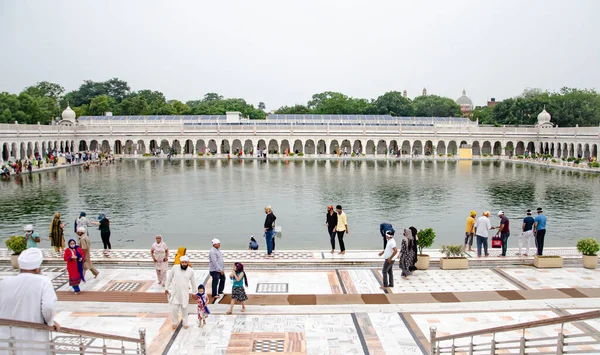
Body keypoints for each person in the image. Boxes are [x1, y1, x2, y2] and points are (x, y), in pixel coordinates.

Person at [0, 248, 61, 354]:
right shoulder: (43, 281)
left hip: (7, 339)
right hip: (33, 340)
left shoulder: (5, 281)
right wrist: (50, 322)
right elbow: (49, 307)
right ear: (37, 268)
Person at [165, 256, 196, 330]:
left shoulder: (191, 271)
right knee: (174, 309)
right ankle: (174, 322)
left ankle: (185, 323)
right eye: (183, 262)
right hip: (175, 292)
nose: (184, 264)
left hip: (184, 293)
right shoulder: (175, 268)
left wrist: (194, 292)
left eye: (185, 262)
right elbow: (169, 278)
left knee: (185, 309)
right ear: (180, 262)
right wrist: (166, 288)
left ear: (187, 263)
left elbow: (193, 282)